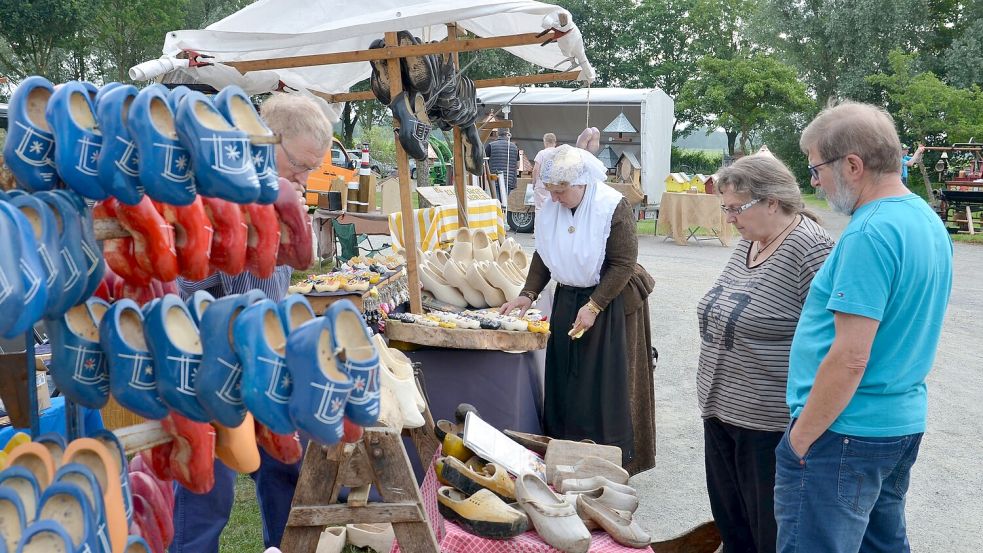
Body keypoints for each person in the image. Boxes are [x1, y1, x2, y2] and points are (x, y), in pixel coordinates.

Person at [775, 102, 953, 552]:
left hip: (844, 430)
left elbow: (851, 356)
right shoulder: (927, 221)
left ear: (852, 165)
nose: (815, 182)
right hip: (897, 423)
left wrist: (801, 439)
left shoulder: (869, 232)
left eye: (816, 169)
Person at [172, 92, 333, 553]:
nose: (303, 177)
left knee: (285, 465)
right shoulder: (220, 192)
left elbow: (282, 281)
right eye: (299, 165)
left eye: (310, 168)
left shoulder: (275, 195)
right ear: (265, 140)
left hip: (259, 354)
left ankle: (283, 548)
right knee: (206, 494)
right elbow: (237, 290)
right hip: (205, 363)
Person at [697, 154, 833, 553]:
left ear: (771, 202)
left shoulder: (811, 249)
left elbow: (832, 342)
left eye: (736, 208)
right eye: (725, 208)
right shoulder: (751, 242)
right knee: (733, 525)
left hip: (768, 424)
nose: (729, 218)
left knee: (767, 534)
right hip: (721, 411)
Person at [499, 144, 656, 474]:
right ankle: (563, 451)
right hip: (568, 298)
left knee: (601, 382)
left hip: (609, 301)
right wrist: (528, 294)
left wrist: (594, 306)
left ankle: (605, 460)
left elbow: (623, 263)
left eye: (562, 191)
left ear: (582, 182)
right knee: (566, 378)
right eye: (551, 191)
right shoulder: (553, 206)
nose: (555, 198)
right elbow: (545, 252)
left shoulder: (611, 207)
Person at [531, 132, 558, 214]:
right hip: (555, 185)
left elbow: (536, 169)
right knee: (554, 209)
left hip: (541, 184)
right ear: (555, 142)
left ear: (545, 142)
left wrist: (534, 181)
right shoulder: (559, 153)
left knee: (539, 208)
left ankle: (539, 226)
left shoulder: (541, 153)